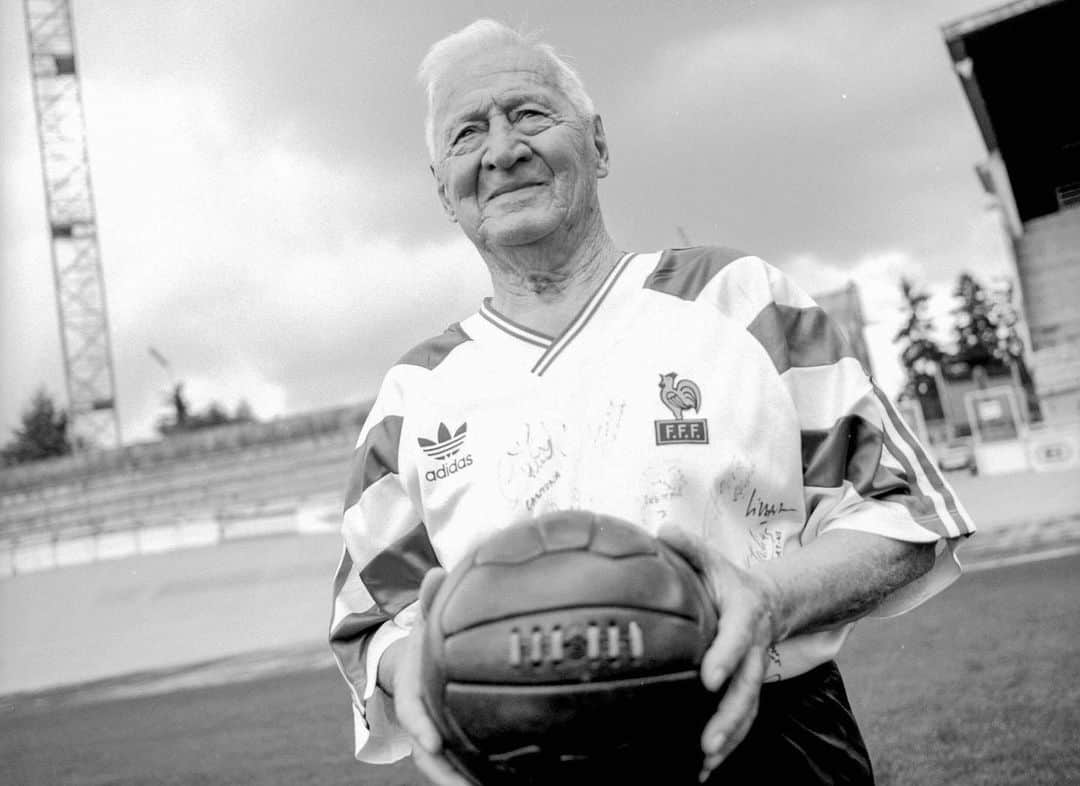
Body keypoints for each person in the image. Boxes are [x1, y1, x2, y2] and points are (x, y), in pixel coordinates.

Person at [329, 19, 974, 785]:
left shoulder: (742, 302)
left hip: (769, 742)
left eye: (529, 114)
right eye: (468, 133)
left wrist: (765, 598)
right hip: (526, 760)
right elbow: (372, 625)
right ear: (444, 191)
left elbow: (904, 513)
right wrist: (421, 673)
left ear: (598, 144)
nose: (501, 150)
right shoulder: (412, 398)